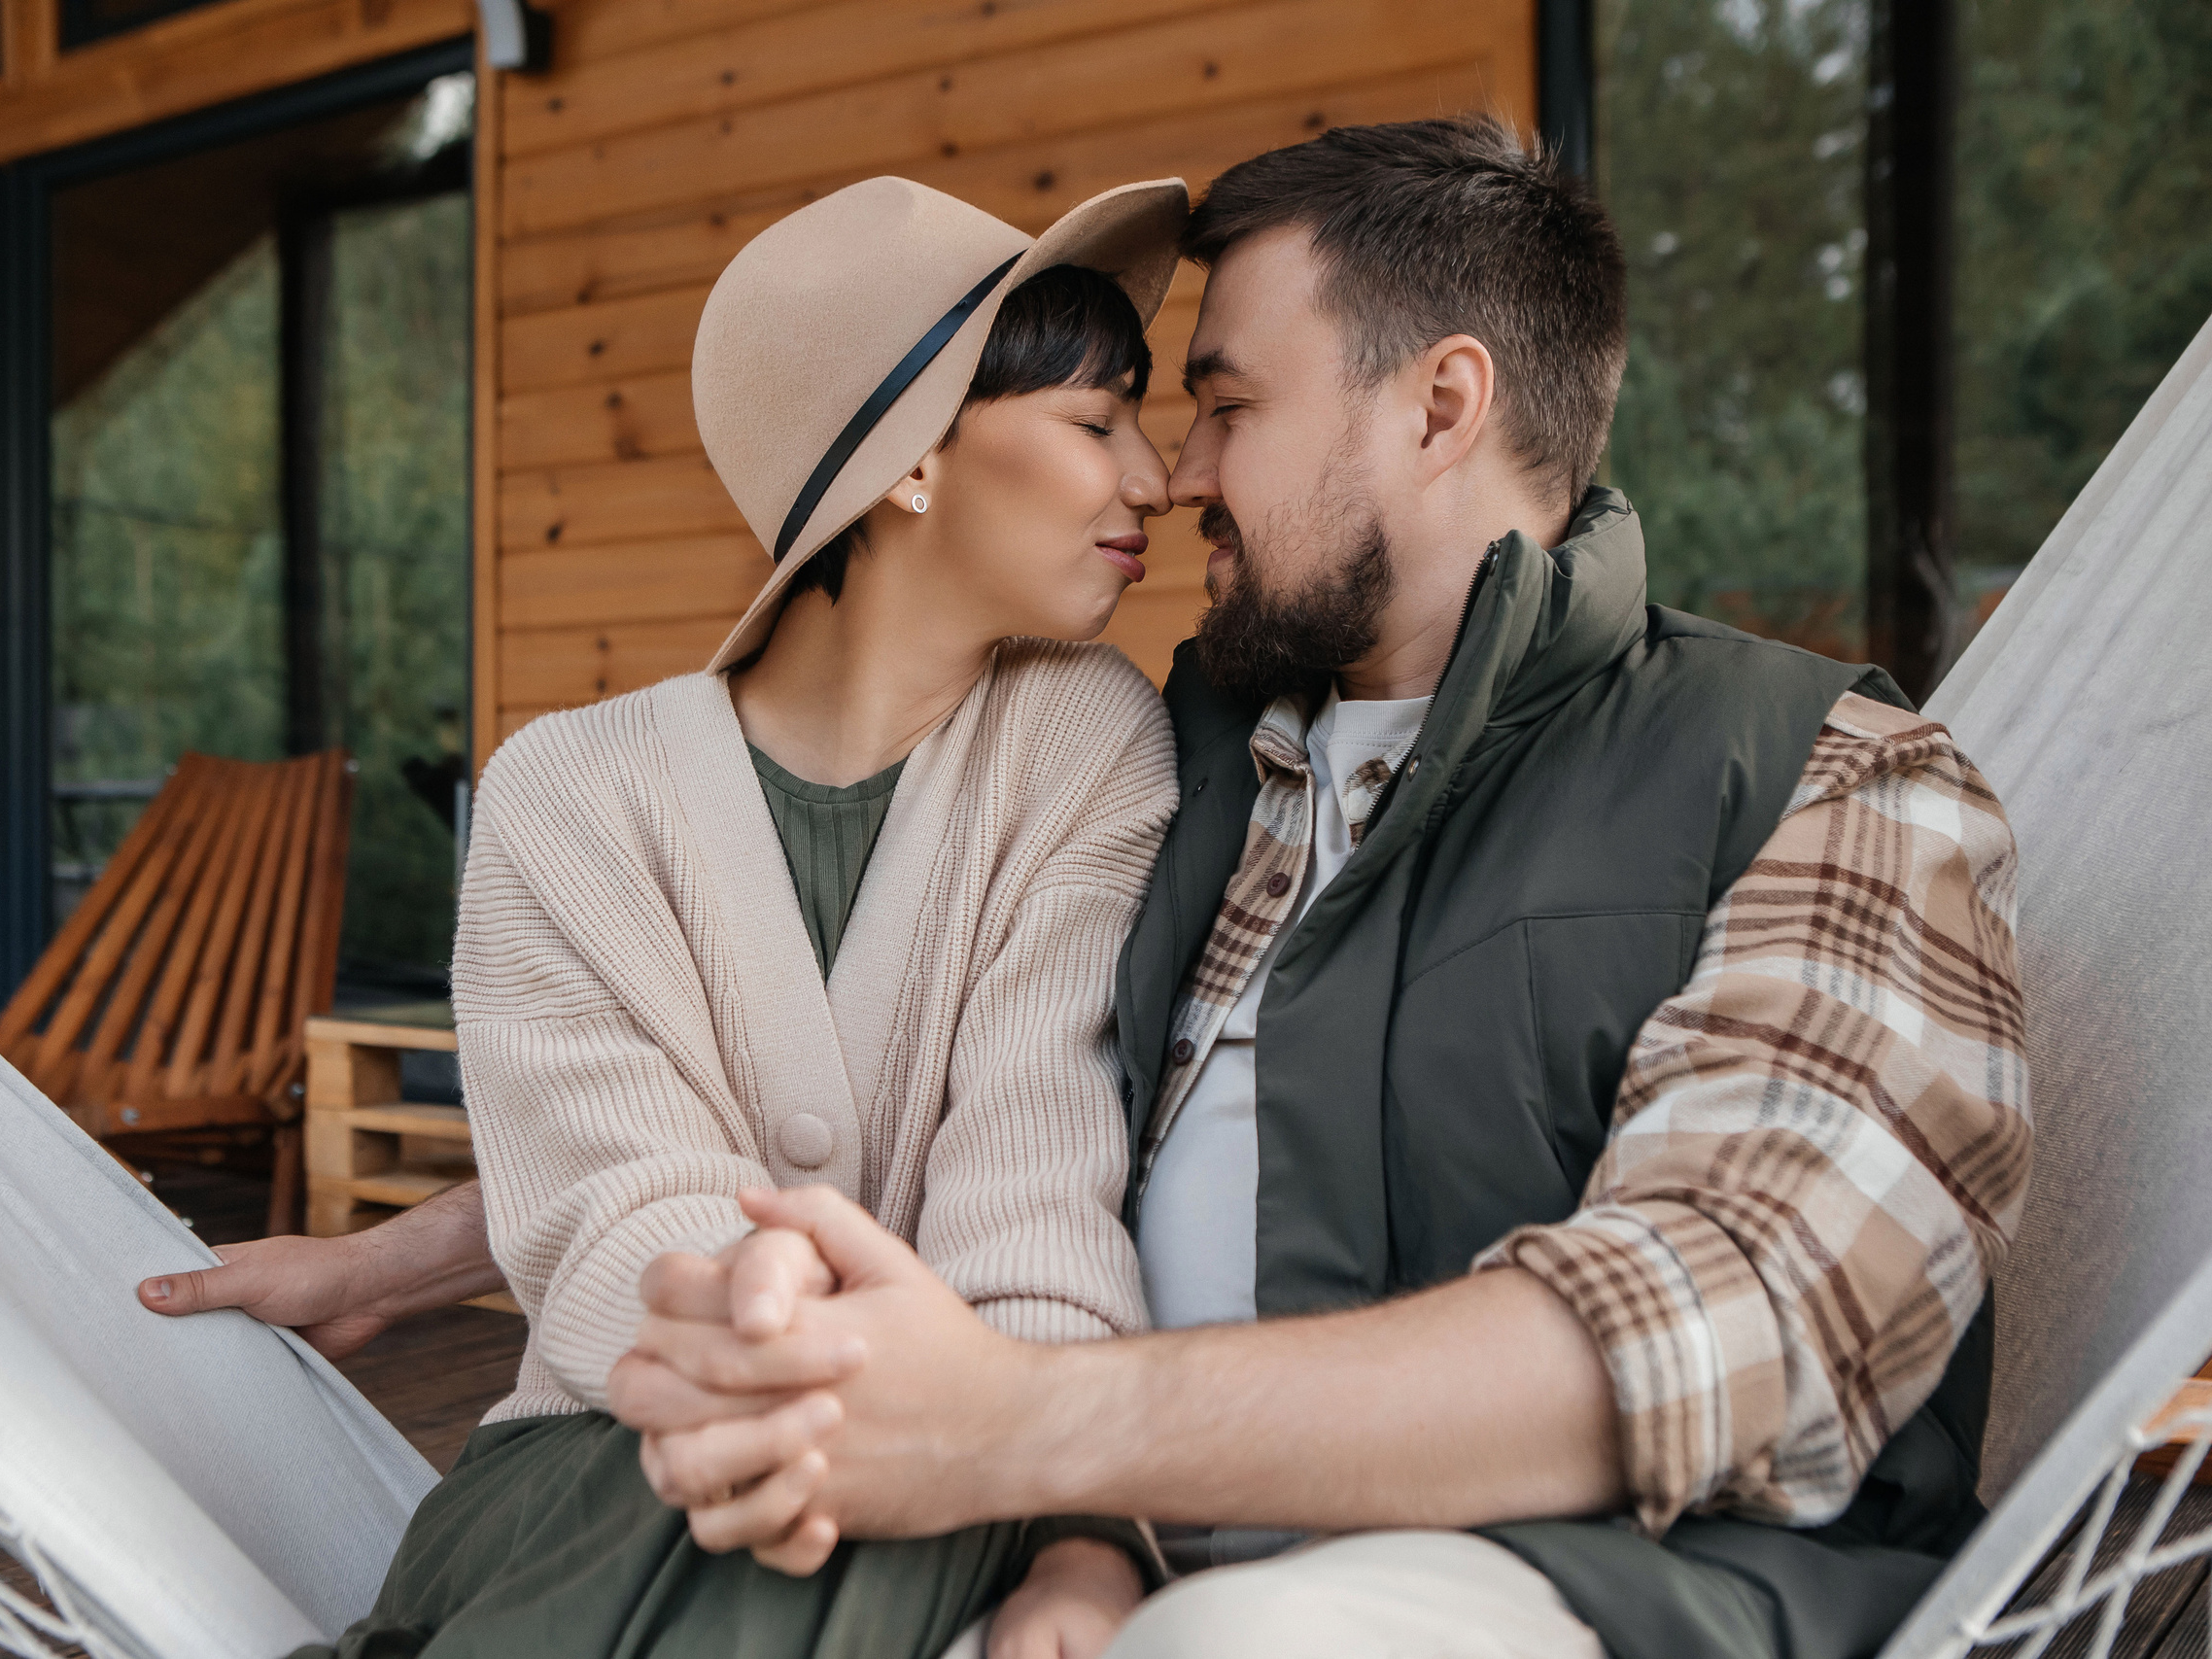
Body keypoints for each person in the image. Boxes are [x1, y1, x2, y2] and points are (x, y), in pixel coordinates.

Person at [150, 117, 2029, 1659]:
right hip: (990, 1512)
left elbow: (1742, 1311)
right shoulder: (1204, 747)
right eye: (1138, 416)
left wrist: (1034, 1444)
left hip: (1531, 1583)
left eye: (1221, 406)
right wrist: (434, 1243)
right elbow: (805, 1073)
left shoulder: (1823, 781)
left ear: (1443, 408)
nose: (1181, 476)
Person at [234, 173, 1204, 1659]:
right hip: (612, 1454)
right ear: (912, 466)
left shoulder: (1085, 744)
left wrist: (1080, 1525)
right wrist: (786, 1356)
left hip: (956, 1446)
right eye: (1098, 424)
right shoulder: (570, 792)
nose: (1155, 478)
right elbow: (617, 1199)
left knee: (861, 1539)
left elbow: (1039, 1165)